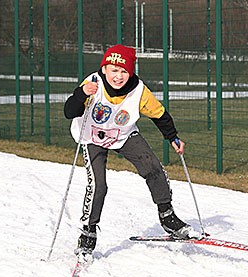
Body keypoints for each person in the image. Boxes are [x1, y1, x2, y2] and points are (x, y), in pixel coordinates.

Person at [64, 44, 201, 259]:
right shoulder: (93, 84)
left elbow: (159, 114)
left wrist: (172, 137)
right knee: (99, 184)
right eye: (114, 70)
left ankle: (167, 217)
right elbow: (69, 111)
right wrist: (81, 94)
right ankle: (88, 233)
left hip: (122, 134)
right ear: (105, 69)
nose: (118, 76)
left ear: (131, 72)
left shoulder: (138, 91)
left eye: (124, 71)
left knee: (153, 166)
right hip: (92, 137)